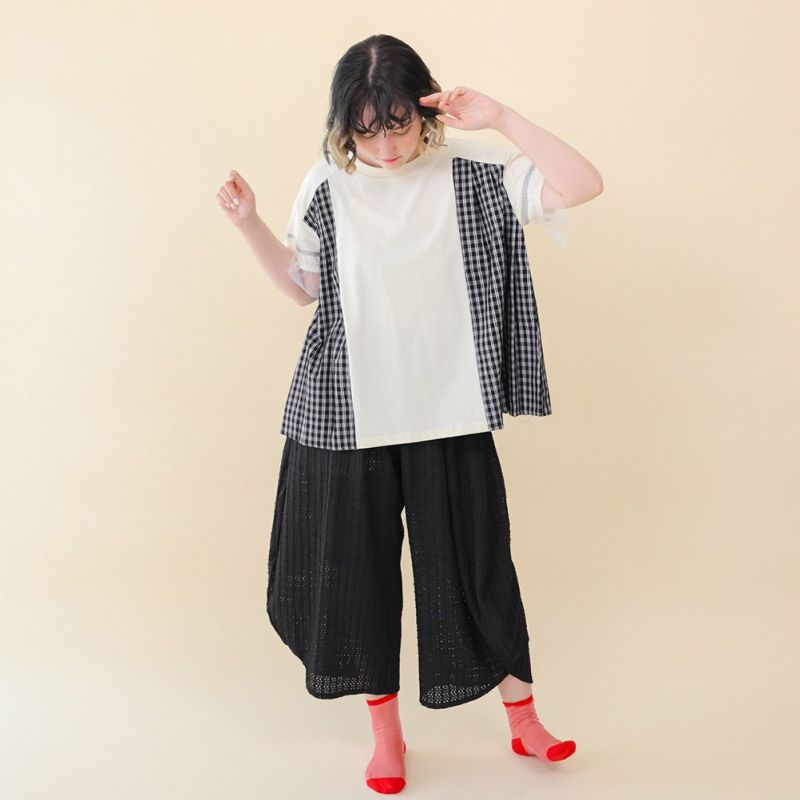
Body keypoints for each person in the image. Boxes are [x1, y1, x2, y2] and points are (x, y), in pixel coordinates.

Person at [217, 33, 602, 795]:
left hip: (448, 409)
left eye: (398, 125)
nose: (386, 147)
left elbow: (582, 184)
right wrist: (250, 224)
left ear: (425, 111)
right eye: (366, 131)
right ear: (344, 127)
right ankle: (386, 740)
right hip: (346, 415)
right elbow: (302, 291)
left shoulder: (477, 174)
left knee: (477, 568)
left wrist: (501, 116)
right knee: (358, 579)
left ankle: (524, 719)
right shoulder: (326, 185)